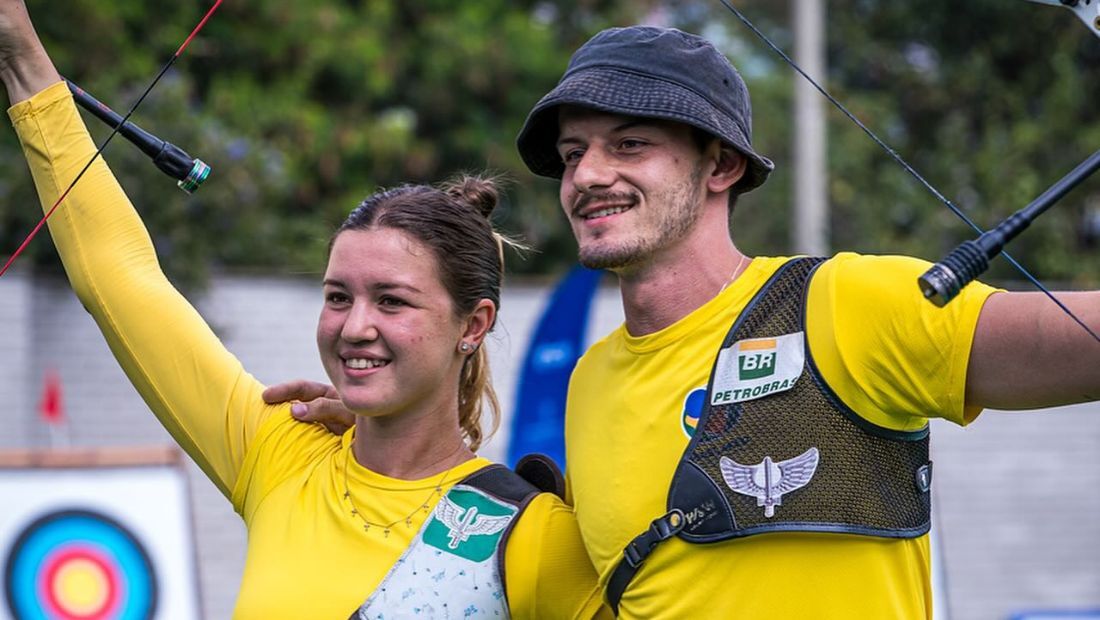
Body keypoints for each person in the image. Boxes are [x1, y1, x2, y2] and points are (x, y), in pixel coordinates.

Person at [271, 25, 1100, 619]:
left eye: (629, 145)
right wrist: (384, 431)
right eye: (572, 154)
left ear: (722, 164)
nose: (588, 174)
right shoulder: (590, 381)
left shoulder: (846, 305)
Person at [0, 2, 611, 618]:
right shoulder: (281, 452)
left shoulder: (533, 534)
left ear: (473, 325)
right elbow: (120, 278)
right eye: (338, 296)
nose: (355, 327)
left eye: (392, 301)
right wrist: (20, 54)